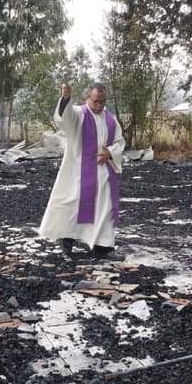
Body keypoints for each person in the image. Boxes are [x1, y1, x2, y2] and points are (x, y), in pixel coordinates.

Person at [39, 82, 125, 258]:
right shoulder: (79, 114)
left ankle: (103, 247)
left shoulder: (110, 119)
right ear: (87, 98)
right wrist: (65, 98)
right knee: (72, 205)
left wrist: (109, 152)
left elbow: (120, 142)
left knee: (104, 207)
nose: (100, 105)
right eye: (96, 101)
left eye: (102, 101)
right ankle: (66, 239)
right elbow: (64, 117)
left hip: (102, 172)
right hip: (77, 170)